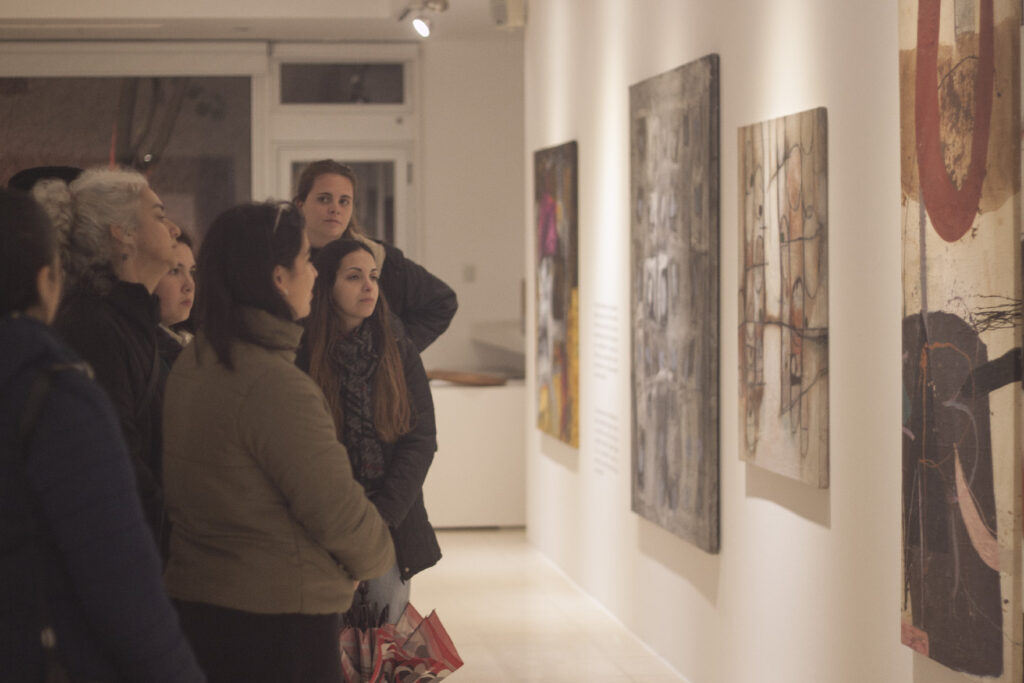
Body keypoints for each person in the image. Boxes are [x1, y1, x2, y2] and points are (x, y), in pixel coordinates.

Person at [162, 202, 395, 683]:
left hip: (206, 603)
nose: (315, 272)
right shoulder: (272, 382)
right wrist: (375, 554)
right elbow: (335, 509)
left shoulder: (196, 358)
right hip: (279, 621)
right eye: (306, 259)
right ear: (278, 279)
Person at [0, 187, 205, 682]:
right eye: (159, 213)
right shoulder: (58, 388)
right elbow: (118, 570)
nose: (172, 228)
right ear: (47, 281)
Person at [299, 238, 441, 625]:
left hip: (388, 525)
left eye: (374, 277)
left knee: (381, 643)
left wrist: (383, 518)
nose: (368, 287)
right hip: (322, 526)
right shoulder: (301, 351)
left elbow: (420, 439)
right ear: (327, 286)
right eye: (354, 277)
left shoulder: (397, 347)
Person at [43, 167, 180, 549]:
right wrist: (175, 531)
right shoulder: (92, 327)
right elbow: (116, 456)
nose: (174, 229)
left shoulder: (131, 321)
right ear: (123, 233)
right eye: (159, 216)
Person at [293, 159, 458, 352]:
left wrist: (392, 352)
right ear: (300, 204)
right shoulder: (280, 259)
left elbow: (442, 302)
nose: (335, 209)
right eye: (324, 199)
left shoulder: (379, 258)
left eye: (344, 201)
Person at [155, 230, 197, 370]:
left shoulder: (190, 342)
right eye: (174, 271)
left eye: (191, 272)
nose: (189, 285)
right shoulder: (145, 353)